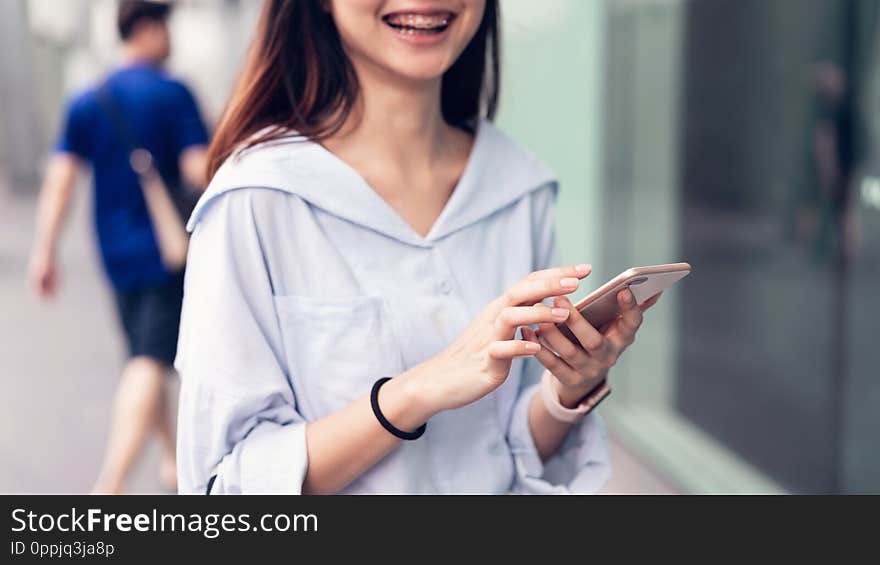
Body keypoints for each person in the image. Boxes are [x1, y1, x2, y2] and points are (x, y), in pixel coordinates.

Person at [176, 0, 660, 495]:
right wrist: (411, 394)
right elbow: (224, 485)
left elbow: (511, 452)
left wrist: (569, 389)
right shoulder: (256, 199)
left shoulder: (518, 187)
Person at [28, 0, 210, 494]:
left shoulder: (90, 99)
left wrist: (45, 250)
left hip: (114, 252)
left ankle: (172, 461)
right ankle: (109, 487)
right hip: (167, 250)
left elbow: (61, 179)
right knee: (149, 362)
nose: (171, 40)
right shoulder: (174, 94)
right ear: (148, 29)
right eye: (167, 28)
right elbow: (199, 171)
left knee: (141, 354)